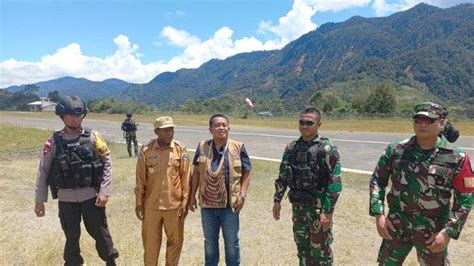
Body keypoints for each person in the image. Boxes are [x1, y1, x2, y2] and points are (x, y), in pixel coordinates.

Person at [369, 102, 473, 265]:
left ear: (442, 123)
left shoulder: (457, 158)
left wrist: (448, 232)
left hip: (432, 232)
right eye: (418, 120)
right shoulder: (396, 150)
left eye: (429, 120)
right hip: (397, 226)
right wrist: (378, 214)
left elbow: (465, 199)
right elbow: (377, 180)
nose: (422, 124)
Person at [34, 95, 119, 265]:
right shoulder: (54, 142)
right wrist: (39, 200)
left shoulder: (93, 137)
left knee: (101, 234)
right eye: (70, 115)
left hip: (91, 198)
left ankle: (110, 261)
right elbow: (43, 171)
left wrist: (104, 191)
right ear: (62, 117)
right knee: (71, 237)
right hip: (66, 200)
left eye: (78, 115)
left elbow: (107, 164)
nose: (75, 119)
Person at [272, 107, 342, 265]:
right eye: (301, 122)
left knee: (321, 251)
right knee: (302, 249)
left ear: (319, 125)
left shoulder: (327, 148)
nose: (304, 126)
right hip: (299, 209)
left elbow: (334, 183)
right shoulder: (291, 148)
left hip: (318, 211)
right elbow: (283, 175)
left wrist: (327, 211)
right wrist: (277, 200)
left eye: (309, 123)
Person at [188, 114, 251, 266]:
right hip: (207, 207)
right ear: (210, 129)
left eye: (224, 125)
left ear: (229, 128)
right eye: (217, 125)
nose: (221, 128)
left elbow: (247, 172)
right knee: (210, 243)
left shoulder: (238, 147)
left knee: (232, 243)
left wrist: (242, 195)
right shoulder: (202, 147)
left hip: (230, 206)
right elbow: (196, 173)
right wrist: (191, 197)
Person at [134, 116, 190, 266]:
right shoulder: (146, 150)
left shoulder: (180, 150)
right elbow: (140, 178)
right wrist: (139, 202)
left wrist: (185, 201)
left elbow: (186, 179)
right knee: (151, 245)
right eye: (165, 130)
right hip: (151, 206)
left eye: (171, 129)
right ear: (156, 131)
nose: (169, 133)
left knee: (175, 243)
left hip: (174, 206)